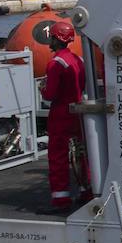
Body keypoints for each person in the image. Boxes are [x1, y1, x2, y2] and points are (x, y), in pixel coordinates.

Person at [41, 21, 86, 212]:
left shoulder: (56, 63)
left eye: (51, 37)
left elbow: (50, 94)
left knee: (58, 155)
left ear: (56, 39)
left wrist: (42, 88)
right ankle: (87, 190)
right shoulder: (78, 59)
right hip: (78, 111)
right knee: (82, 153)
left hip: (61, 114)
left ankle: (61, 199)